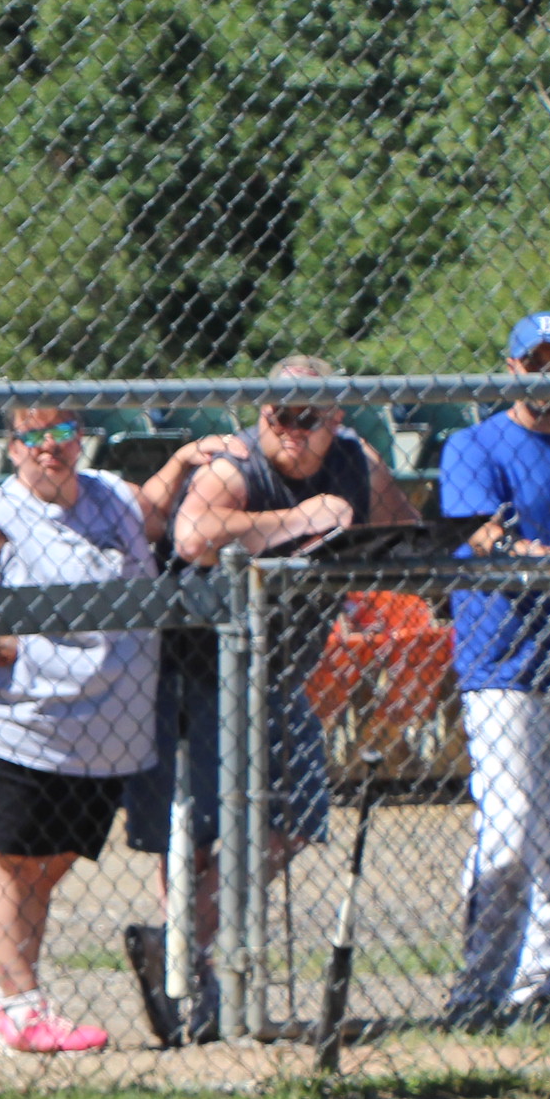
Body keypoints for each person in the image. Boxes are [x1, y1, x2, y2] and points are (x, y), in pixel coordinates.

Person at [0, 406, 214, 1055]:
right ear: (13, 447)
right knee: (8, 861)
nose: (49, 448)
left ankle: (20, 1001)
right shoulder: (0, 512)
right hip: (19, 723)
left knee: (49, 862)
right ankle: (18, 1005)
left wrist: (181, 462)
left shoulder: (109, 494)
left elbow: (153, 514)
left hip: (103, 730)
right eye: (34, 437)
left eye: (62, 433)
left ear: (79, 439)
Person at [137, 358, 414, 1039]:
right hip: (200, 668)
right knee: (200, 835)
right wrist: (300, 519)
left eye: (305, 416)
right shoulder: (236, 467)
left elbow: (402, 528)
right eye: (276, 414)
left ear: (335, 418)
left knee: (293, 820)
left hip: (282, 671)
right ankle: (195, 977)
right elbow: (194, 537)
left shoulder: (356, 460)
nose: (288, 428)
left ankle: (183, 946)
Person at [440, 314, 550, 1025]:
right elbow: (483, 535)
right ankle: (478, 990)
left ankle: (543, 987)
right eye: (535, 361)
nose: (547, 374)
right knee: (512, 826)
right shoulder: (475, 444)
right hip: (503, 659)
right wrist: (549, 560)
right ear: (512, 368)